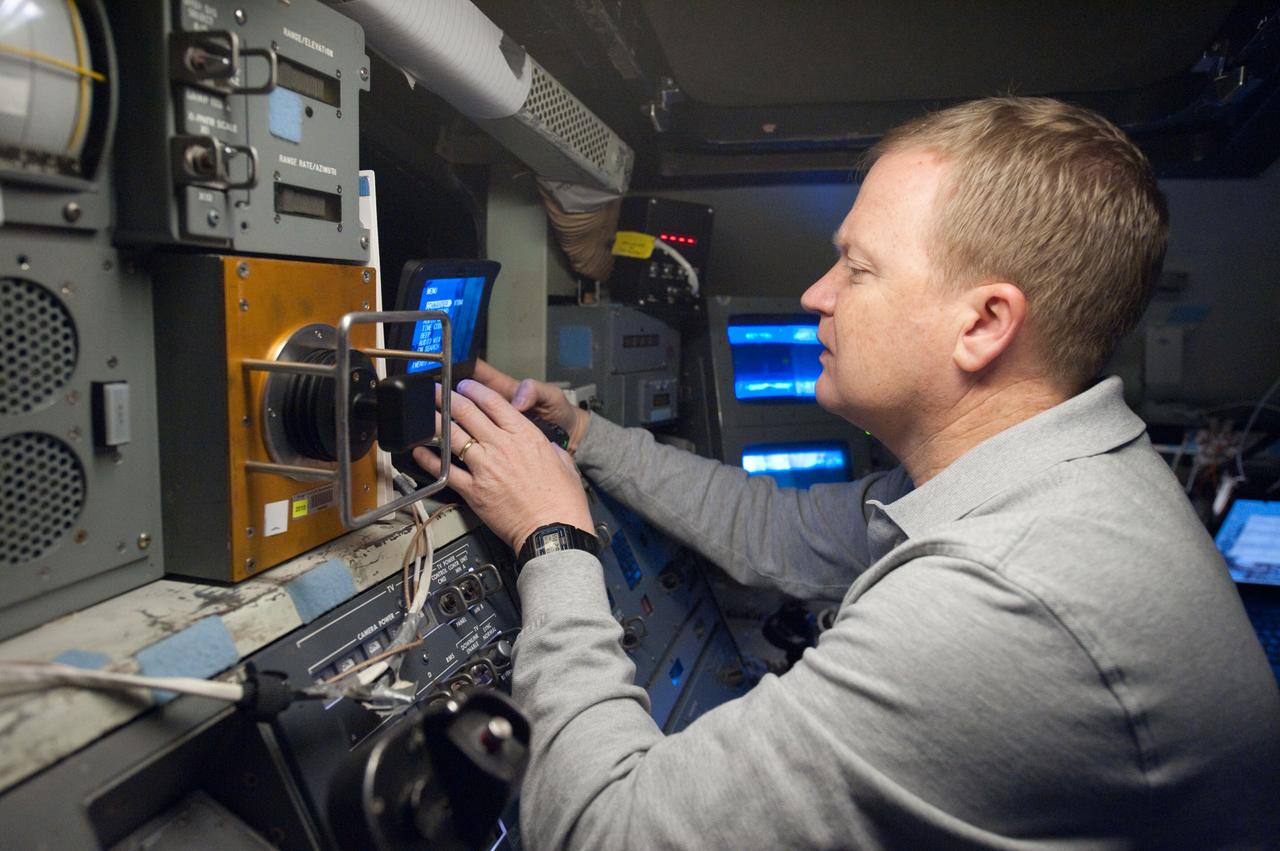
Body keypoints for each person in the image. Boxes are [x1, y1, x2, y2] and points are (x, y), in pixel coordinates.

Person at [414, 97, 1280, 849]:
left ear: (983, 322)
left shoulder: (1001, 599)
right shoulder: (1058, 478)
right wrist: (585, 435)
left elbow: (607, 829)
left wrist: (553, 539)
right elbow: (776, 531)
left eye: (857, 267)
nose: (815, 294)